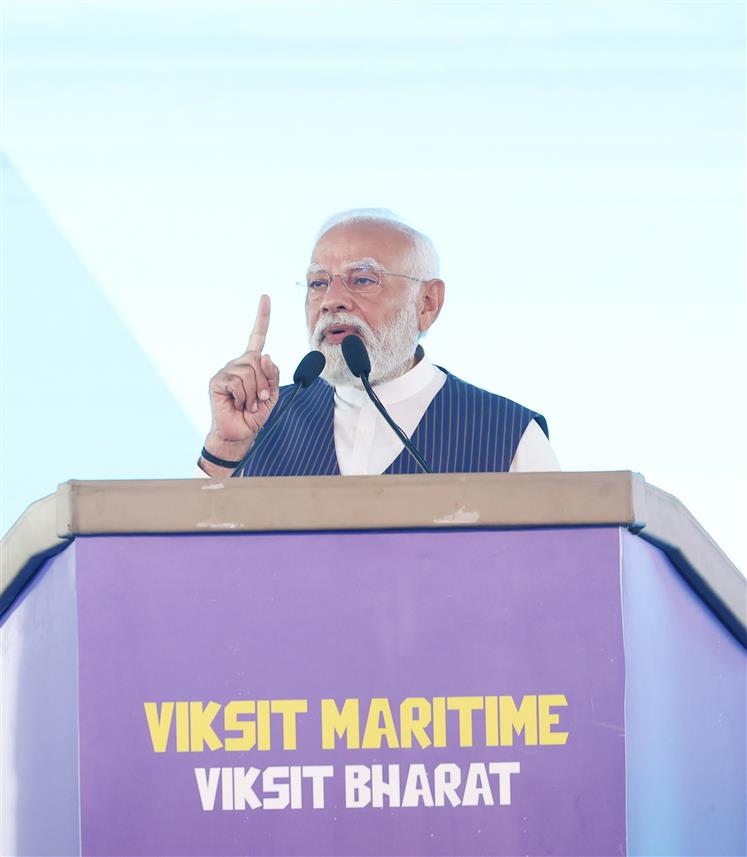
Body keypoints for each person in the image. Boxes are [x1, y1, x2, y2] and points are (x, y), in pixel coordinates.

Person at [198, 210, 559, 477]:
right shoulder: (264, 421)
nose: (331, 300)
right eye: (318, 283)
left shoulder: (508, 434)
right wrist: (225, 448)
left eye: (363, 280)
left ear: (428, 303)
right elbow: (197, 567)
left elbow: (557, 570)